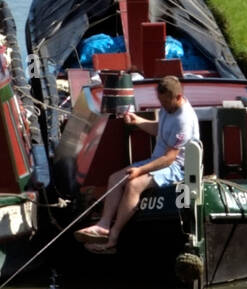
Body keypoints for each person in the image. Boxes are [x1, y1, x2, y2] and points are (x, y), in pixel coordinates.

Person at [75, 76, 198, 253]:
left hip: (177, 167)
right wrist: (138, 121)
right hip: (159, 160)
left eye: (165, 102)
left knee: (133, 185)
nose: (162, 105)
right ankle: (103, 225)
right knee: (115, 178)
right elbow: (160, 129)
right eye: (160, 101)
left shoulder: (184, 120)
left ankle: (113, 237)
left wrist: (140, 170)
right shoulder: (168, 109)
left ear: (178, 97)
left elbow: (170, 158)